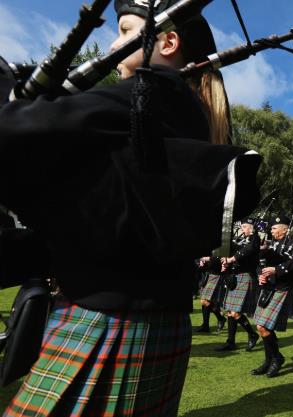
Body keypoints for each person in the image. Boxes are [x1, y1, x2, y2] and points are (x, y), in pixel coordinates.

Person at [0, 1, 261, 415]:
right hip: (132, 317)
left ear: (168, 41)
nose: (115, 42)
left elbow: (20, 129)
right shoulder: (178, 105)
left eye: (125, 30)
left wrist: (15, 99)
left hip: (111, 320)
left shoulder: (156, 92)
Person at [252, 215, 293, 378]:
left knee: (263, 326)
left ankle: (276, 358)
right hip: (268, 287)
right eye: (272, 228)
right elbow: (259, 264)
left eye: (275, 228)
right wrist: (260, 275)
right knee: (262, 326)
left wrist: (276, 270)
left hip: (282, 287)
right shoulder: (268, 245)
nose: (272, 230)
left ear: (285, 229)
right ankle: (270, 360)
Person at [216, 218, 261, 351]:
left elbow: (248, 250)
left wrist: (231, 259)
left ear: (251, 228)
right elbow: (232, 250)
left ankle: (252, 334)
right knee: (230, 312)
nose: (242, 229)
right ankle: (230, 342)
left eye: (245, 227)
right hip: (235, 276)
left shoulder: (255, 239)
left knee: (235, 313)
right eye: (242, 227)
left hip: (245, 276)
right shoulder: (241, 240)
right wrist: (225, 261)